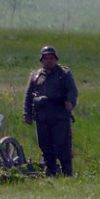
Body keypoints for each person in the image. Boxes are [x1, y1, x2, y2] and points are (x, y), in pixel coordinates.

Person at [24, 46, 78, 177]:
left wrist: (70, 102)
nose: (49, 61)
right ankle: (50, 172)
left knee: (62, 146)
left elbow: (72, 90)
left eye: (51, 58)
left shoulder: (64, 74)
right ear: (41, 60)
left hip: (59, 116)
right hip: (42, 117)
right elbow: (28, 96)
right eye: (46, 58)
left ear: (56, 59)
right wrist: (27, 114)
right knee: (45, 146)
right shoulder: (36, 76)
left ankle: (67, 173)